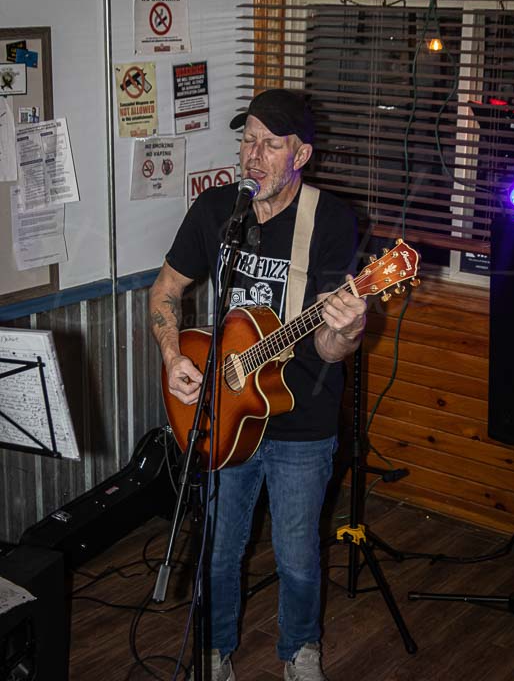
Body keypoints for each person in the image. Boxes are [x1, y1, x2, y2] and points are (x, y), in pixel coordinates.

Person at [149, 89, 367, 681]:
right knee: (218, 550)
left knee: (297, 556)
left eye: (271, 144)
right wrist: (174, 356)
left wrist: (347, 331)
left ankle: (300, 650)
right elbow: (165, 290)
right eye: (248, 140)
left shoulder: (330, 220)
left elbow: (329, 349)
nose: (253, 155)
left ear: (302, 155)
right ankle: (215, 650)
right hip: (222, 412)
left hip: (301, 417)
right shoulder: (217, 210)